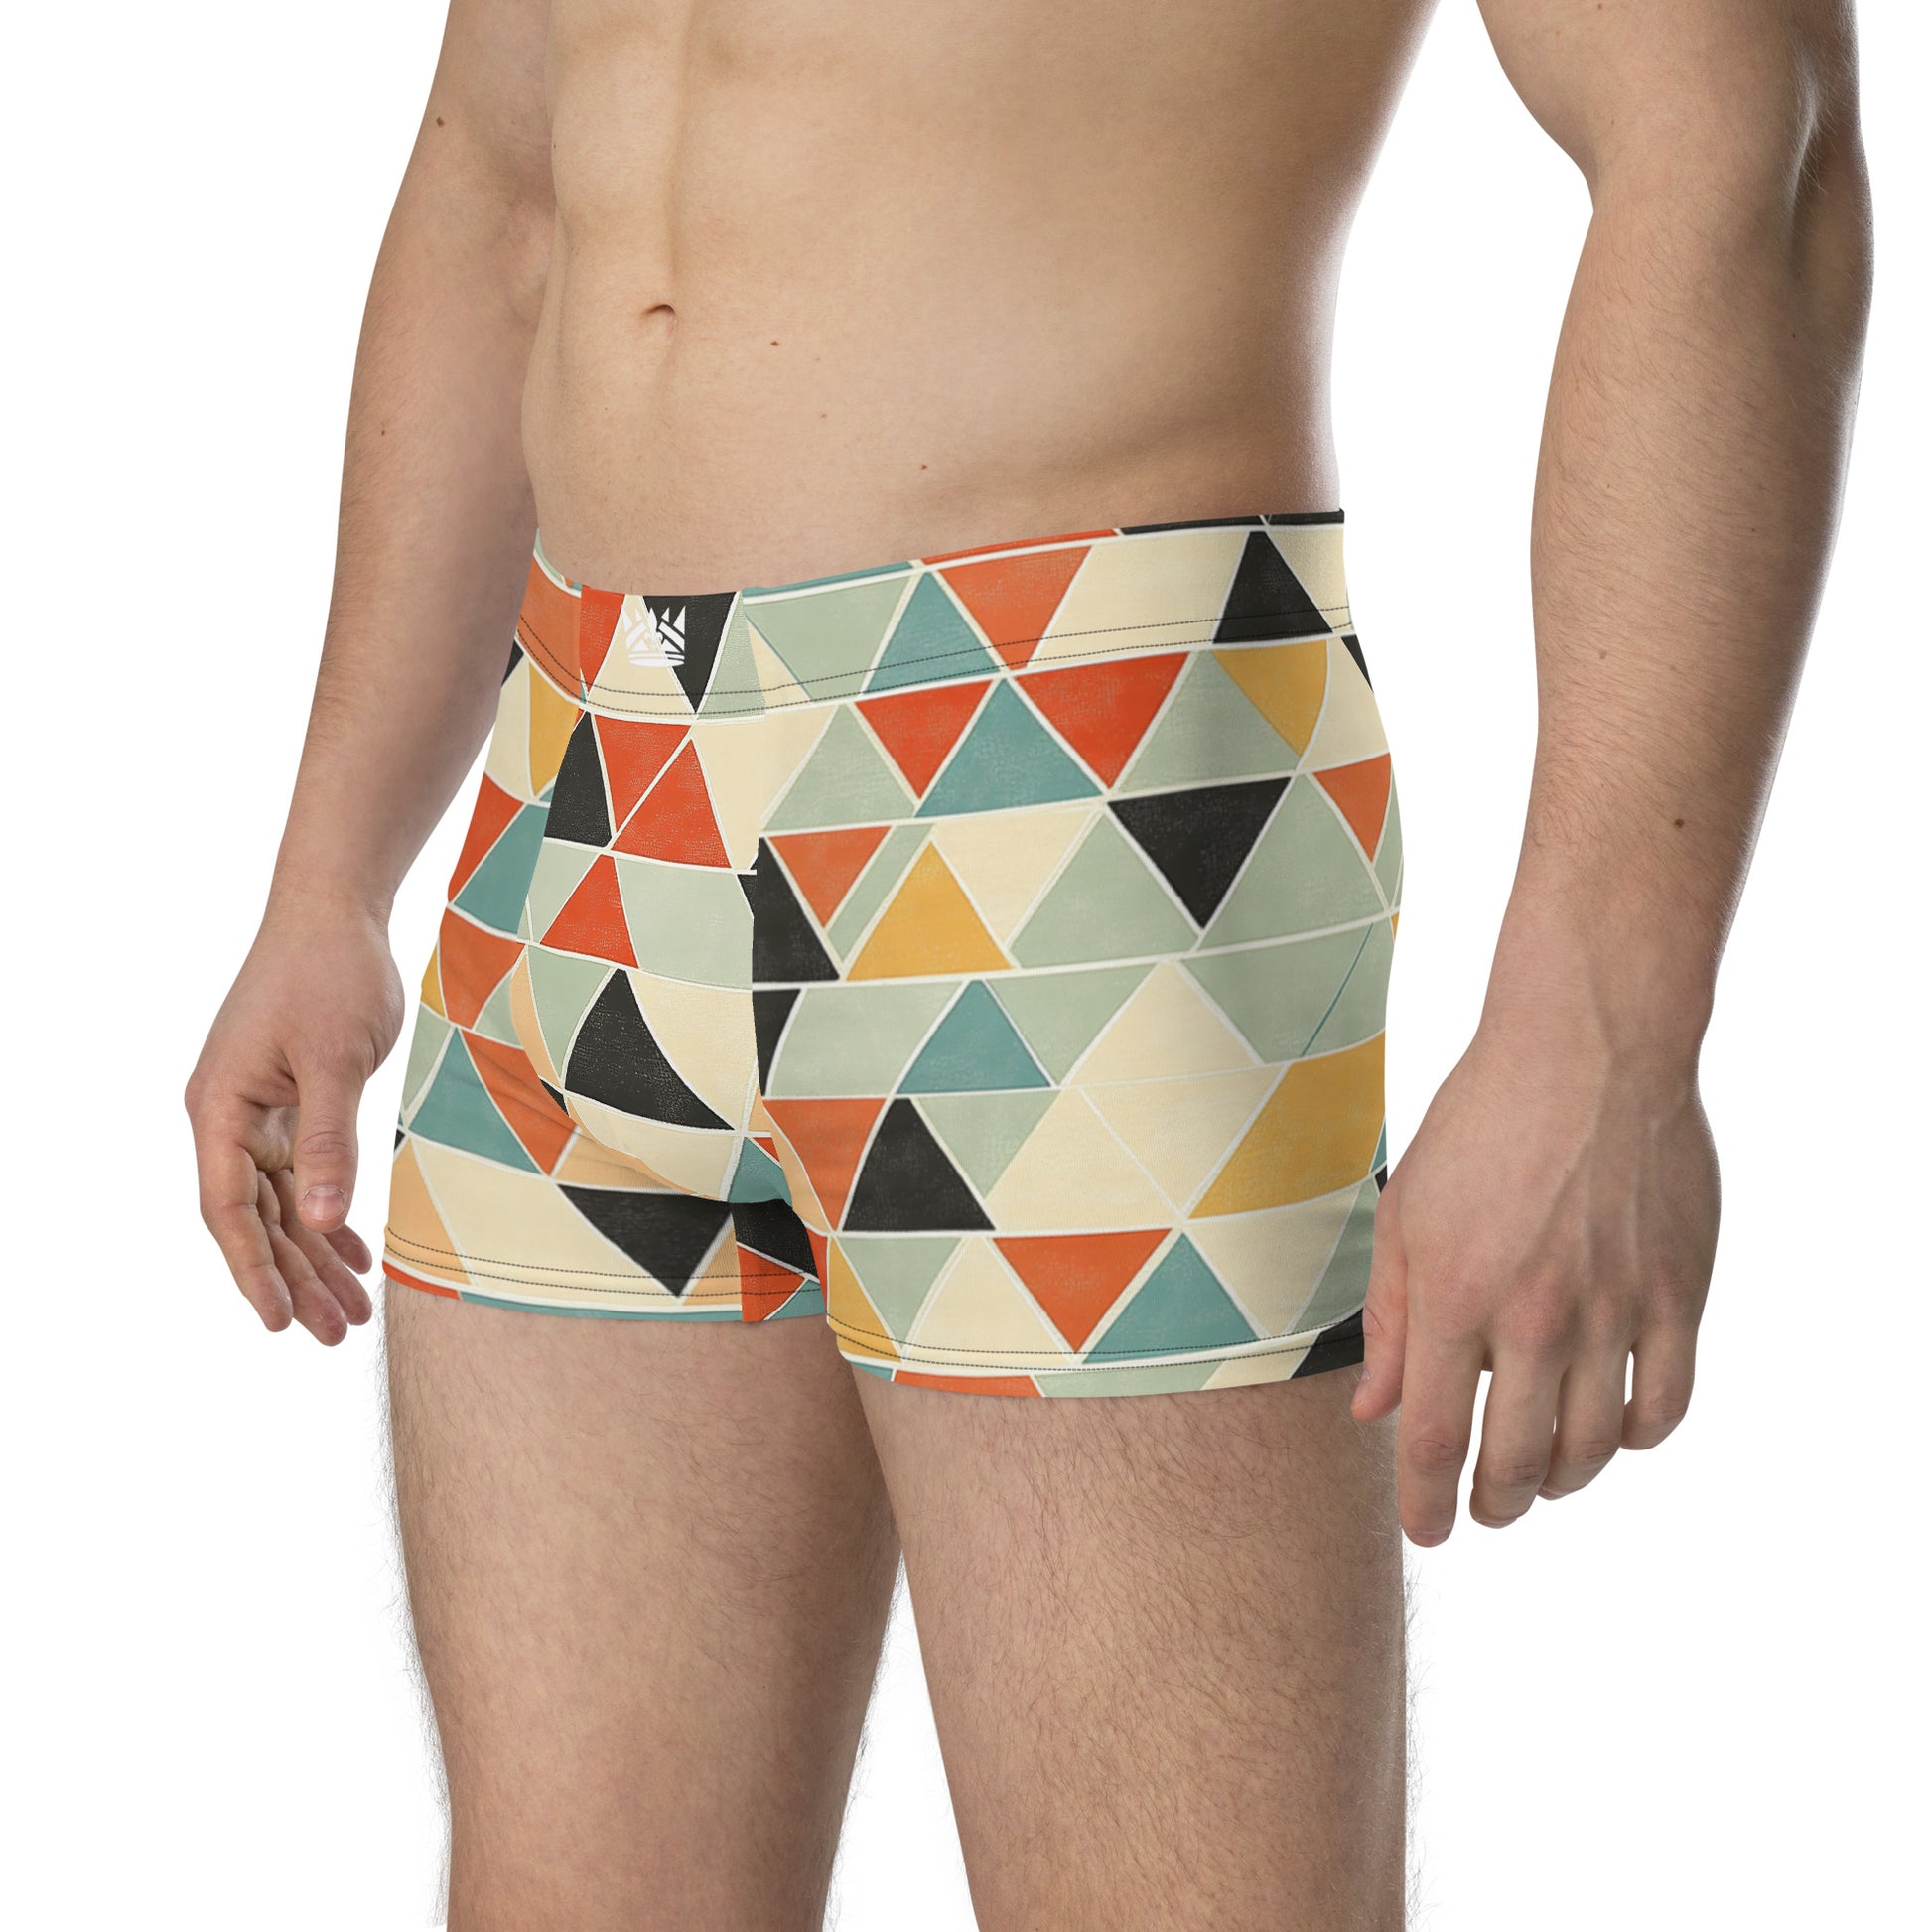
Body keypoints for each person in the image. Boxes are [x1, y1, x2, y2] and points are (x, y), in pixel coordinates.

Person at [185, 0, 1871, 1924]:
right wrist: (332, 874)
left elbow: (1738, 138)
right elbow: (504, 190)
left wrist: (1609, 1014)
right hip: (584, 779)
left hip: (1069, 762)